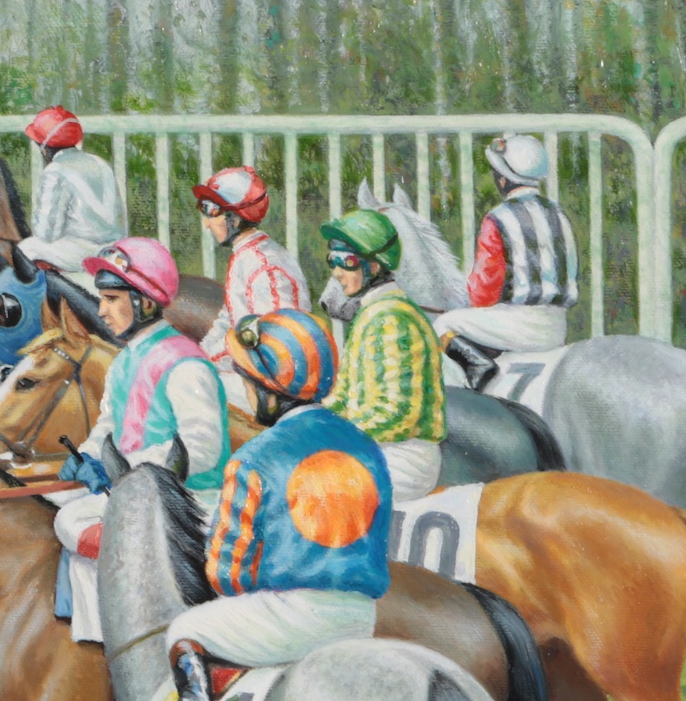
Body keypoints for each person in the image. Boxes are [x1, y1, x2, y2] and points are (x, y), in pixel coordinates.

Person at [156, 309, 393, 701]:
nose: (246, 393)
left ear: (269, 389)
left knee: (183, 629)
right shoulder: (366, 447)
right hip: (362, 616)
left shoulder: (254, 458)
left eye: (248, 382)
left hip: (291, 618)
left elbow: (227, 574)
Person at [50, 236, 229, 564]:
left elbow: (202, 449)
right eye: (102, 299)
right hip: (138, 491)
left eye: (111, 299)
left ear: (145, 303)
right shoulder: (123, 362)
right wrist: (88, 455)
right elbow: (109, 425)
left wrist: (122, 469)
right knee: (53, 503)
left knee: (69, 521)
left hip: (191, 500)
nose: (101, 311)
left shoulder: (186, 363)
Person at [317, 208, 447, 503]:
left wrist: (336, 432)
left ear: (374, 266)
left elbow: (397, 413)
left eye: (347, 262)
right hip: (375, 448)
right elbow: (345, 396)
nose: (336, 272)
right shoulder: (371, 313)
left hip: (403, 457)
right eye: (332, 260)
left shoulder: (392, 318)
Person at [433, 133, 580, 391]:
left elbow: (483, 293)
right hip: (557, 325)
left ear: (503, 179)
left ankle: (477, 371)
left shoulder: (498, 218)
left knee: (443, 324)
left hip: (519, 325)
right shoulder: (558, 213)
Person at [191, 165, 310, 370]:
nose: (207, 224)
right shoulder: (245, 256)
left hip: (275, 375)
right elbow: (228, 320)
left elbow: (268, 341)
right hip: (250, 367)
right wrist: (199, 355)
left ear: (236, 218)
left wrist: (204, 362)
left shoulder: (263, 264)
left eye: (212, 210)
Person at [15, 106, 127, 277]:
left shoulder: (55, 170)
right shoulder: (100, 163)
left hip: (81, 253)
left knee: (25, 249)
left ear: (43, 147)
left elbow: (46, 233)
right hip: (114, 249)